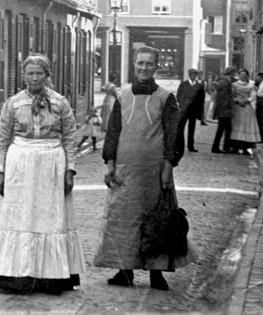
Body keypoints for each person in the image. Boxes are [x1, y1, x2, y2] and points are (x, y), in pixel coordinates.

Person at [0, 54, 84, 295]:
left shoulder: (60, 103)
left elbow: (69, 138)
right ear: (23, 76)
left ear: (47, 76)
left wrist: (70, 170)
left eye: (39, 73)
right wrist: (0, 171)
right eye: (30, 73)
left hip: (51, 164)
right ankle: (16, 275)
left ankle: (51, 277)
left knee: (50, 218)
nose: (34, 78)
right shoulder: (13, 104)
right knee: (20, 217)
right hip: (20, 165)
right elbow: (2, 140)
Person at [94, 46, 195, 291]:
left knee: (157, 221)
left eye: (149, 64)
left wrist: (168, 166)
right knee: (124, 220)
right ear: (134, 64)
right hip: (124, 170)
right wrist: (110, 163)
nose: (143, 68)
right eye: (140, 63)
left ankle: (156, 274)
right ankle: (124, 270)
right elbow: (113, 132)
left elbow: (173, 134)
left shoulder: (166, 97)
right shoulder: (122, 96)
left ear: (156, 67)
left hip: (154, 171)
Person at [230, 68, 261, 155]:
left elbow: (253, 95)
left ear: (247, 76)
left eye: (245, 75)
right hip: (237, 107)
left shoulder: (251, 85)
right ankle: (235, 147)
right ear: (239, 76)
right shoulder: (234, 85)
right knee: (237, 125)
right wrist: (237, 100)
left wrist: (247, 101)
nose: (243, 77)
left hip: (247, 107)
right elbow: (232, 95)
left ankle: (245, 147)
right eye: (241, 75)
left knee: (247, 126)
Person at [176, 69, 206, 152]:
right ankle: (179, 145)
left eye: (194, 75)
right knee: (180, 128)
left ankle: (191, 146)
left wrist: (201, 112)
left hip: (194, 110)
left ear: (196, 76)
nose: (193, 76)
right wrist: (180, 106)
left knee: (191, 128)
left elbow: (201, 100)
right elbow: (178, 96)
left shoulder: (200, 86)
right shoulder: (183, 84)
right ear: (189, 75)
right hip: (184, 110)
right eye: (191, 74)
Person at [211, 66, 237, 154]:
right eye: (234, 73)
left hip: (223, 109)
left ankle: (220, 146)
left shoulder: (223, 81)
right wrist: (227, 109)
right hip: (224, 110)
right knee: (224, 129)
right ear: (231, 73)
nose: (235, 75)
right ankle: (221, 147)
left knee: (224, 129)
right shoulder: (225, 82)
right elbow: (224, 98)